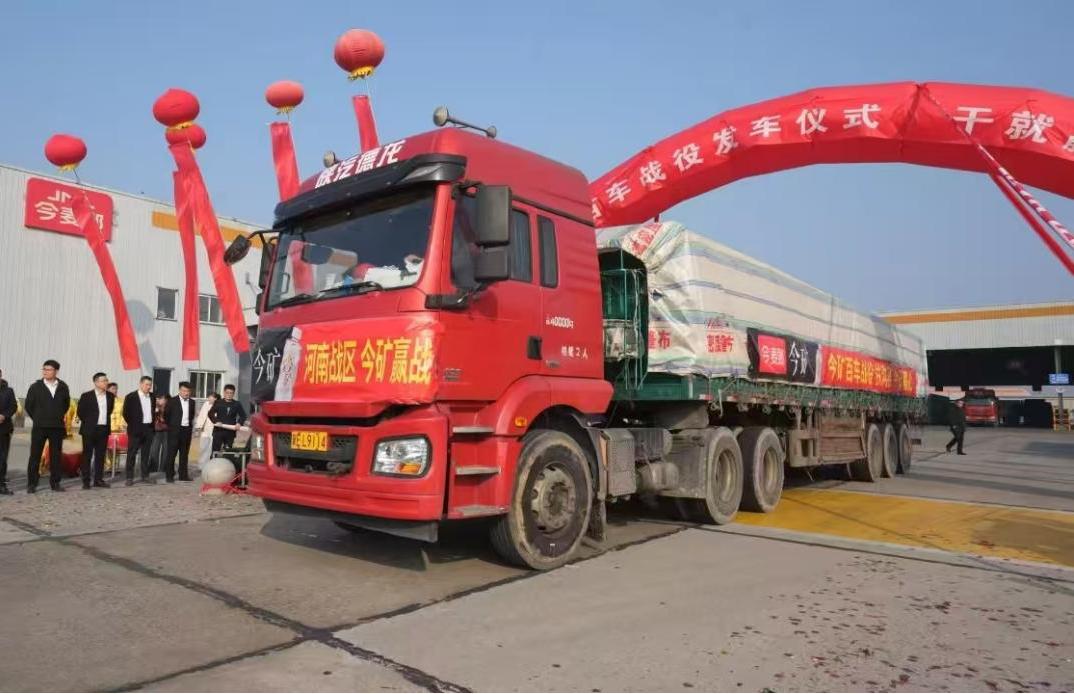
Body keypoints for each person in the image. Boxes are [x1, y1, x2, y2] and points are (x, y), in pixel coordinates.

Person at [24, 359, 71, 493]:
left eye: (49, 369)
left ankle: (55, 483)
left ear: (56, 371)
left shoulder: (63, 387)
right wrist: (38, 418)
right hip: (40, 426)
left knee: (56, 456)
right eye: (44, 369)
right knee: (35, 455)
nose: (45, 372)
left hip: (56, 426)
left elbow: (66, 404)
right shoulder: (35, 387)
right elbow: (29, 405)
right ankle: (32, 484)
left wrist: (57, 415)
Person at [76, 372, 115, 489]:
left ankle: (98, 480)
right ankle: (86, 481)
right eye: (103, 381)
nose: (106, 382)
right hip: (89, 430)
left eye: (107, 380)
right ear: (96, 382)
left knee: (100, 456)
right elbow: (80, 412)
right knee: (87, 455)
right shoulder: (86, 396)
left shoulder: (110, 396)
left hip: (103, 429)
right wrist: (90, 422)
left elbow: (109, 410)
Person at [122, 376, 156, 486]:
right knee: (132, 453)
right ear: (140, 384)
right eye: (146, 384)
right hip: (135, 429)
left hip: (148, 429)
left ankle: (145, 475)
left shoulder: (152, 396)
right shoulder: (131, 397)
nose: (148, 387)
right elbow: (125, 413)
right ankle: (129, 477)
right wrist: (134, 423)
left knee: (146, 454)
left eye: (150, 385)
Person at [163, 382, 196, 482]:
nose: (186, 393)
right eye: (184, 391)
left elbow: (191, 416)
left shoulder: (192, 402)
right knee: (171, 454)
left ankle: (183, 475)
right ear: (180, 390)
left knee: (184, 454)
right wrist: (172, 426)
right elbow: (166, 415)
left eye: (188, 391)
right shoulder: (172, 401)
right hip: (174, 431)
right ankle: (169, 476)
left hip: (186, 431)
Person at [209, 385, 247, 455]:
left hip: (230, 432)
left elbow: (243, 415)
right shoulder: (218, 402)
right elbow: (210, 414)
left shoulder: (237, 404)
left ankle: (226, 461)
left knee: (228, 452)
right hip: (218, 431)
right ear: (224, 392)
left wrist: (239, 423)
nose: (229, 395)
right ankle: (213, 461)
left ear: (233, 394)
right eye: (227, 393)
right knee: (215, 452)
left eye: (231, 393)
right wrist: (216, 421)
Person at [0, 370, 16, 495]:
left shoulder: (8, 391)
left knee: (2, 458)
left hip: (3, 429)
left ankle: (1, 485)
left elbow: (13, 406)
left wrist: (4, 416)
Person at [195, 392, 219, 468]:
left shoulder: (218, 405)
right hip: (205, 429)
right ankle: (201, 465)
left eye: (211, 397)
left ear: (215, 398)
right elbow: (201, 415)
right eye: (209, 397)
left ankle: (209, 465)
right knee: (203, 447)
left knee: (210, 447)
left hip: (213, 429)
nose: (209, 398)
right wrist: (199, 426)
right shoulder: (206, 404)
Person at [148, 394, 169, 474]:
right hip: (156, 430)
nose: (159, 400)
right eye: (158, 399)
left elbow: (165, 419)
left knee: (166, 450)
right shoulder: (155, 406)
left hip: (167, 430)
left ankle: (164, 468)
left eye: (161, 399)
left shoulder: (168, 407)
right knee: (154, 449)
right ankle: (153, 467)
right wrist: (157, 408)